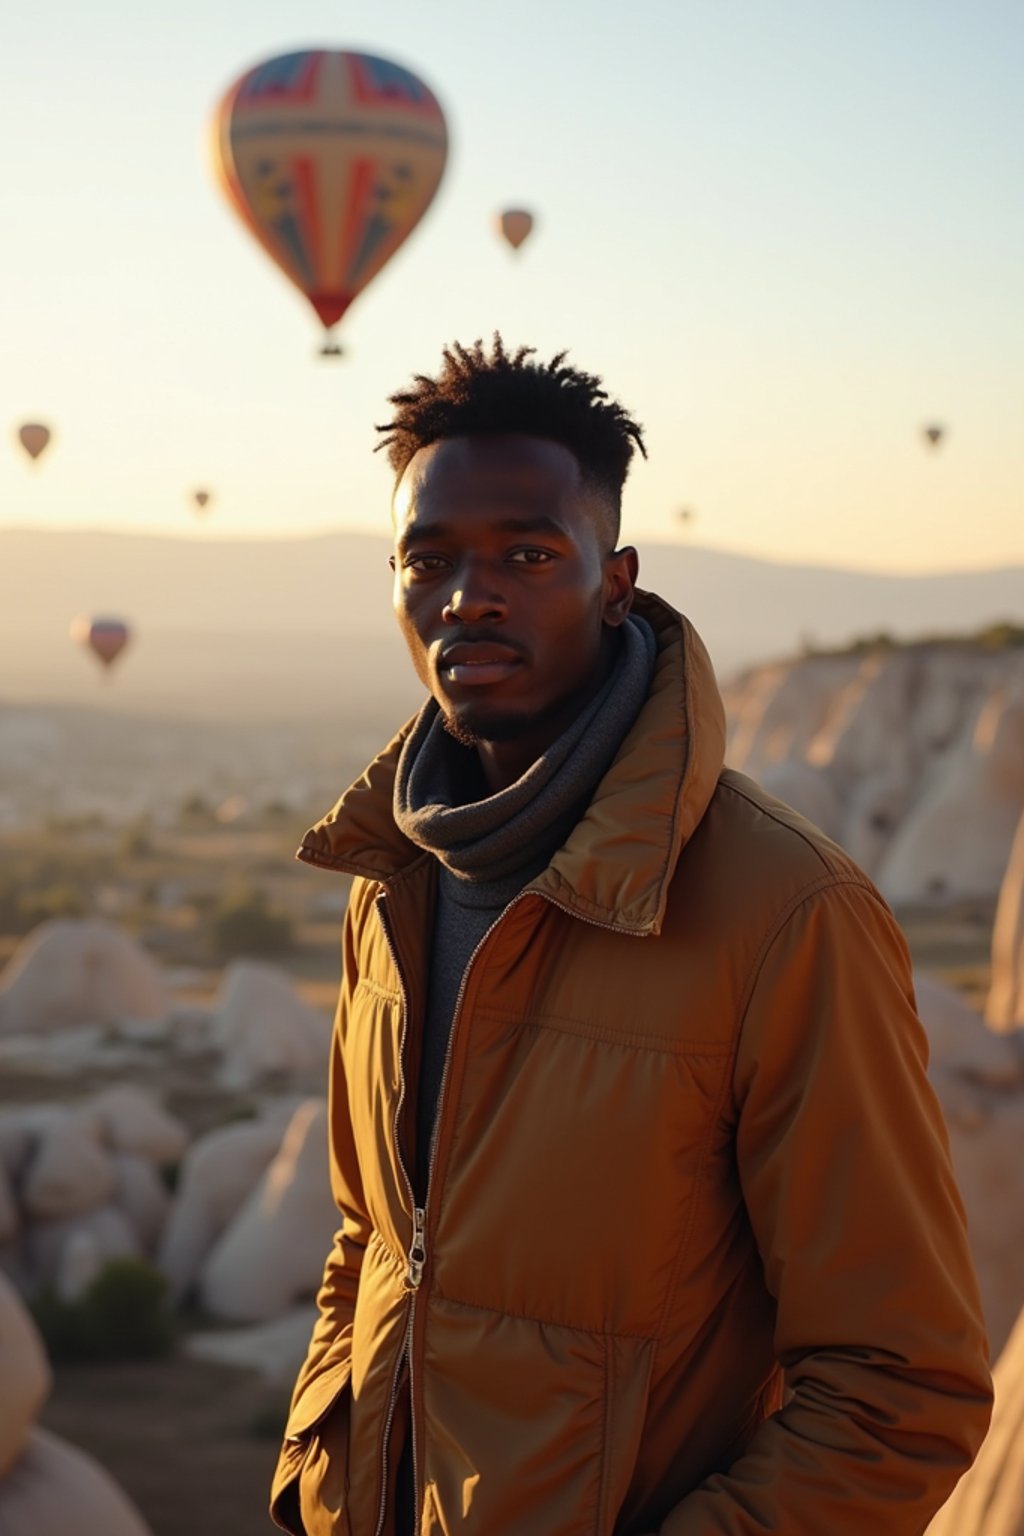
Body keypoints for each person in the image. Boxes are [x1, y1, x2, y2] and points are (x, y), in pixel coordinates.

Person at [270, 338, 992, 1536]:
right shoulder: (391, 871)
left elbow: (901, 1386)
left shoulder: (785, 912)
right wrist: (315, 1490)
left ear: (617, 579)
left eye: (528, 553)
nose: (469, 594)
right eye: (429, 559)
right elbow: (372, 1247)